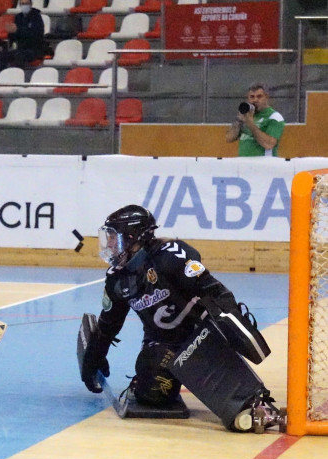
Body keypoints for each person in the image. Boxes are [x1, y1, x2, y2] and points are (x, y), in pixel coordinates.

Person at [80, 205, 285, 432]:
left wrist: (234, 322)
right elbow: (109, 324)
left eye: (114, 238)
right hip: (162, 341)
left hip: (200, 332)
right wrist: (93, 358)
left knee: (206, 354)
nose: (109, 245)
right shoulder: (116, 279)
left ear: (133, 238)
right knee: (153, 390)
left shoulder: (170, 255)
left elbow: (213, 290)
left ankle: (253, 401)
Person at [225, 82, 285, 157]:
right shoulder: (247, 115)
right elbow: (229, 138)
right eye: (252, 97)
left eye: (259, 97)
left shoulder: (274, 117)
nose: (255, 100)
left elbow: (269, 144)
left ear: (266, 97)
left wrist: (250, 124)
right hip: (243, 162)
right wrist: (239, 120)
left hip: (264, 163)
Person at [0, 0, 46, 73]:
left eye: (26, 3)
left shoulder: (36, 17)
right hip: (21, 48)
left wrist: (18, 30)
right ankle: (1, 78)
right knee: (1, 55)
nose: (24, 5)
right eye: (22, 4)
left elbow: (36, 35)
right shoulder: (18, 17)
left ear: (31, 4)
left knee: (19, 56)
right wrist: (11, 33)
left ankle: (17, 79)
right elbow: (14, 38)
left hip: (35, 50)